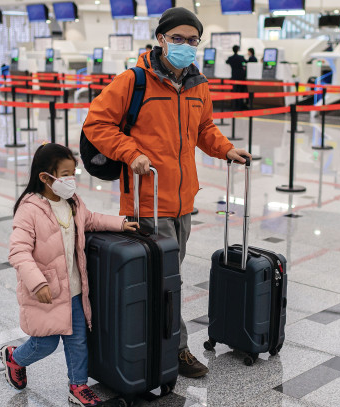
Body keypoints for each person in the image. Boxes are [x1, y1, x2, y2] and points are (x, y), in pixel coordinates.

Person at [82, 7, 250, 379]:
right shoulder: (133, 81)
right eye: (178, 39)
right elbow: (96, 123)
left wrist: (225, 149)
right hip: (146, 201)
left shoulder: (197, 84)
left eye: (193, 40)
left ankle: (158, 346)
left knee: (167, 279)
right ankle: (175, 349)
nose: (186, 46)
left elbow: (204, 128)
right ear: (161, 39)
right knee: (166, 280)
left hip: (182, 202)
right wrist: (131, 153)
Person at [0, 143, 139, 406]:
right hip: (46, 292)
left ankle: (78, 385)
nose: (70, 180)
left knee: (77, 342)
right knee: (46, 344)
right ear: (45, 177)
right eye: (64, 174)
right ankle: (14, 357)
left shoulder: (72, 201)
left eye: (72, 173)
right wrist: (37, 282)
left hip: (74, 290)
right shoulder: (29, 209)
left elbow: (91, 220)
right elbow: (18, 252)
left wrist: (120, 223)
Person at [226, 45, 248, 109]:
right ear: (238, 50)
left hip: (233, 77)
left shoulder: (231, 58)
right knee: (241, 92)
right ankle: (240, 105)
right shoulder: (241, 57)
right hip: (241, 78)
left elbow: (227, 62)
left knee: (234, 92)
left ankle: (234, 106)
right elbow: (246, 62)